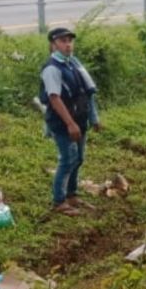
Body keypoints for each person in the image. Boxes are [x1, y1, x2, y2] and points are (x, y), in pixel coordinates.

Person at [39, 27, 100, 217]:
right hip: (62, 122)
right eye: (63, 41)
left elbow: (86, 92)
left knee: (79, 158)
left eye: (69, 41)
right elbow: (54, 98)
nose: (67, 45)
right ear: (53, 45)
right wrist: (70, 124)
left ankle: (72, 195)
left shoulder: (73, 64)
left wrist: (93, 118)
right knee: (68, 159)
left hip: (79, 119)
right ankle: (59, 201)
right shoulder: (52, 68)